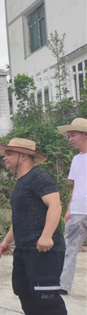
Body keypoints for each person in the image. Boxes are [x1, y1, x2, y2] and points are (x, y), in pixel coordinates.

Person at [0, 138, 81, 315]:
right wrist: (7, 240)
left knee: (47, 296)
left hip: (45, 249)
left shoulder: (40, 177)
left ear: (23, 156)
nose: (4, 157)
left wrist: (46, 236)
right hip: (24, 249)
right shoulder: (20, 182)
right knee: (23, 290)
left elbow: (55, 205)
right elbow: (19, 218)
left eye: (9, 153)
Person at [57, 118, 87, 294]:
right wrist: (69, 208)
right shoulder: (76, 160)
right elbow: (76, 186)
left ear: (85, 135)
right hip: (77, 211)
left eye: (73, 135)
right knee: (69, 248)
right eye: (69, 136)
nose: (70, 139)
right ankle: (63, 285)